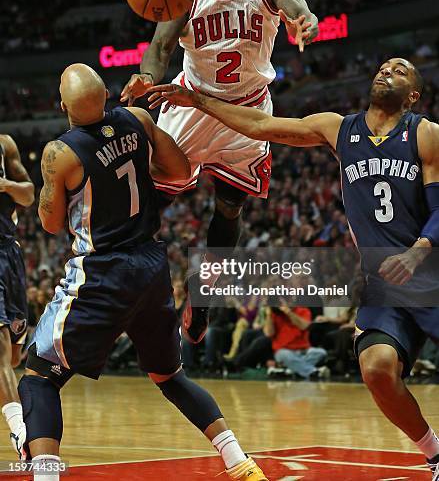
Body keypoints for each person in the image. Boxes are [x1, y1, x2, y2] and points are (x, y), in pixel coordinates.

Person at [147, 57, 439, 478]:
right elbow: (261, 127)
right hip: (383, 281)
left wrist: (418, 251)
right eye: (384, 65)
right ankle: (434, 454)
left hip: (428, 270)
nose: (387, 69)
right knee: (376, 368)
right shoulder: (339, 128)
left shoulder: (424, 133)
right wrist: (196, 100)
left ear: (413, 94)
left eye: (400, 69)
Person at [18, 64, 268, 481]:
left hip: (102, 271)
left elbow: (50, 222)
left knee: (40, 376)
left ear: (62, 105)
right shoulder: (137, 119)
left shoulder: (59, 153)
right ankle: (240, 463)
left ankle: (46, 476)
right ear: (105, 95)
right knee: (169, 376)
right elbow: (179, 171)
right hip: (151, 266)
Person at [120, 0, 319, 345]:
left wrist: (306, 20)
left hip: (246, 113)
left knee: (230, 208)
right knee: (151, 200)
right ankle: (123, 282)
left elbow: (296, 5)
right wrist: (147, 78)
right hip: (191, 103)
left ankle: (202, 293)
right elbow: (161, 46)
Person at [0, 0, 33, 459]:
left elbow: (30, 196)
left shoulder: (3, 143)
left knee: (12, 353)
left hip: (5, 250)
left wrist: (5, 186)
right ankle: (22, 435)